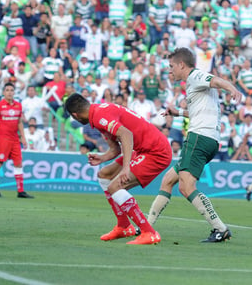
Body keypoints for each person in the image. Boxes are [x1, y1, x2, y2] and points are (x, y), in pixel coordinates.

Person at [147, 47, 243, 242]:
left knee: (186, 186)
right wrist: (177, 113)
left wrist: (232, 88)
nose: (170, 70)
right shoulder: (193, 85)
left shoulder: (195, 76)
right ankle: (146, 228)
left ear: (182, 64)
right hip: (208, 138)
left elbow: (217, 80)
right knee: (168, 180)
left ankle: (220, 228)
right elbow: (197, 113)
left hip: (199, 137)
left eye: (172, 66)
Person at [65, 93, 172, 245]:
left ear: (75, 115)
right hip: (143, 149)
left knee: (115, 186)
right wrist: (102, 157)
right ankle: (124, 226)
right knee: (104, 174)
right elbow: (116, 149)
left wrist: (126, 168)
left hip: (156, 151)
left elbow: (126, 134)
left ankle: (149, 232)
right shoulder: (96, 114)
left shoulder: (99, 116)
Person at [0, 83, 34, 199]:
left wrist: (23, 137)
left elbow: (19, 122)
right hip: (2, 139)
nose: (9, 92)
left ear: (14, 92)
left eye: (11, 90)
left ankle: (20, 191)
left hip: (15, 139)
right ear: (4, 92)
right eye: (7, 90)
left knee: (18, 163)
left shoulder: (18, 106)